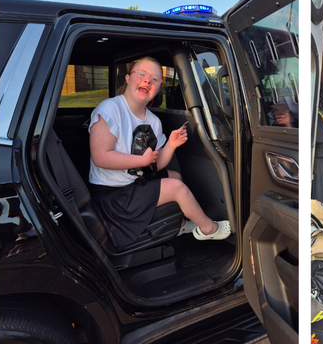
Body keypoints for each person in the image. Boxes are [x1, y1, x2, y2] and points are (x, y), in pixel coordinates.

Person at [89, 57, 231, 249]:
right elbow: (100, 158)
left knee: (175, 176)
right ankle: (209, 229)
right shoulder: (110, 109)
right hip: (112, 195)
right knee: (177, 188)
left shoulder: (153, 121)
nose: (147, 80)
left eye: (154, 79)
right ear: (128, 79)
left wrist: (171, 144)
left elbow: (156, 165)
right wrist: (140, 160)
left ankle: (180, 225)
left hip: (132, 183)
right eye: (142, 74)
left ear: (158, 88)